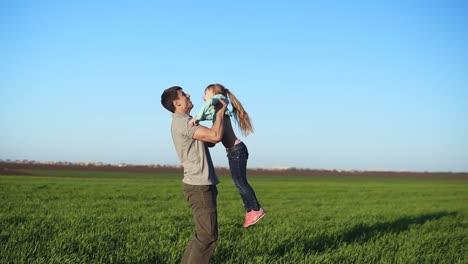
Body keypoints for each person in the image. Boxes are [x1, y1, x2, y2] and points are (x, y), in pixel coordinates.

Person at [161, 86, 227, 264]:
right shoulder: (182, 122)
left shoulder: (187, 120)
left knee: (202, 236)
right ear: (177, 103)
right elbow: (215, 136)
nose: (189, 94)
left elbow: (210, 140)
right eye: (183, 94)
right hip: (199, 185)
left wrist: (214, 114)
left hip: (200, 184)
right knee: (207, 237)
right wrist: (221, 110)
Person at [189, 83, 265, 228]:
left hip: (236, 150)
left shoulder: (218, 100)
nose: (203, 96)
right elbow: (214, 128)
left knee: (239, 181)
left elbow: (208, 105)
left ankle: (256, 209)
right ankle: (250, 211)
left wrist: (197, 119)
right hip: (234, 151)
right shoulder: (217, 109)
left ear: (213, 93)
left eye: (205, 93)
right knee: (238, 181)